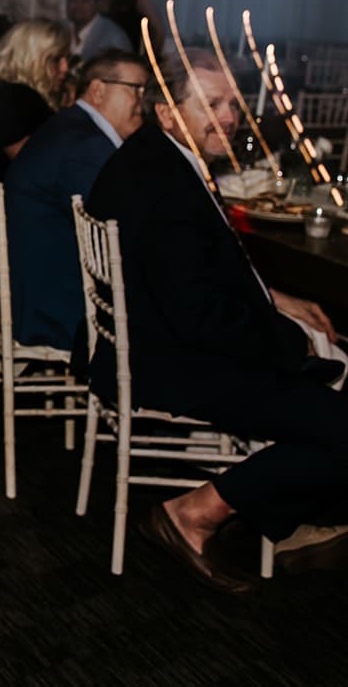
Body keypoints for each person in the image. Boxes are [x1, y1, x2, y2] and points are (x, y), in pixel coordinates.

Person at [85, 50, 347, 592]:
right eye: (212, 103)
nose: (229, 116)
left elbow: (199, 279)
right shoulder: (165, 183)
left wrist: (275, 300)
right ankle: (195, 512)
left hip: (150, 342)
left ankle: (307, 511)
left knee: (331, 388)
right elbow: (201, 316)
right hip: (171, 361)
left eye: (232, 103)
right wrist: (294, 344)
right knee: (339, 417)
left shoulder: (155, 158)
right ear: (166, 111)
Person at [4, 50, 148, 350]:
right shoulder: (88, 146)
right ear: (98, 90)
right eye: (136, 89)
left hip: (29, 285)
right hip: (55, 306)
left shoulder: (68, 124)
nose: (143, 102)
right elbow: (116, 235)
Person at [0, 19, 71, 184]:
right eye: (56, 59)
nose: (65, 68)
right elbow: (40, 168)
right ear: (31, 58)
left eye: (67, 59)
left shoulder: (2, 92)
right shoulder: (12, 98)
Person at [65, 0, 131, 60]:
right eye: (73, 0)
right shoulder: (61, 30)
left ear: (98, 4)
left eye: (85, 1)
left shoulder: (114, 37)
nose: (78, 6)